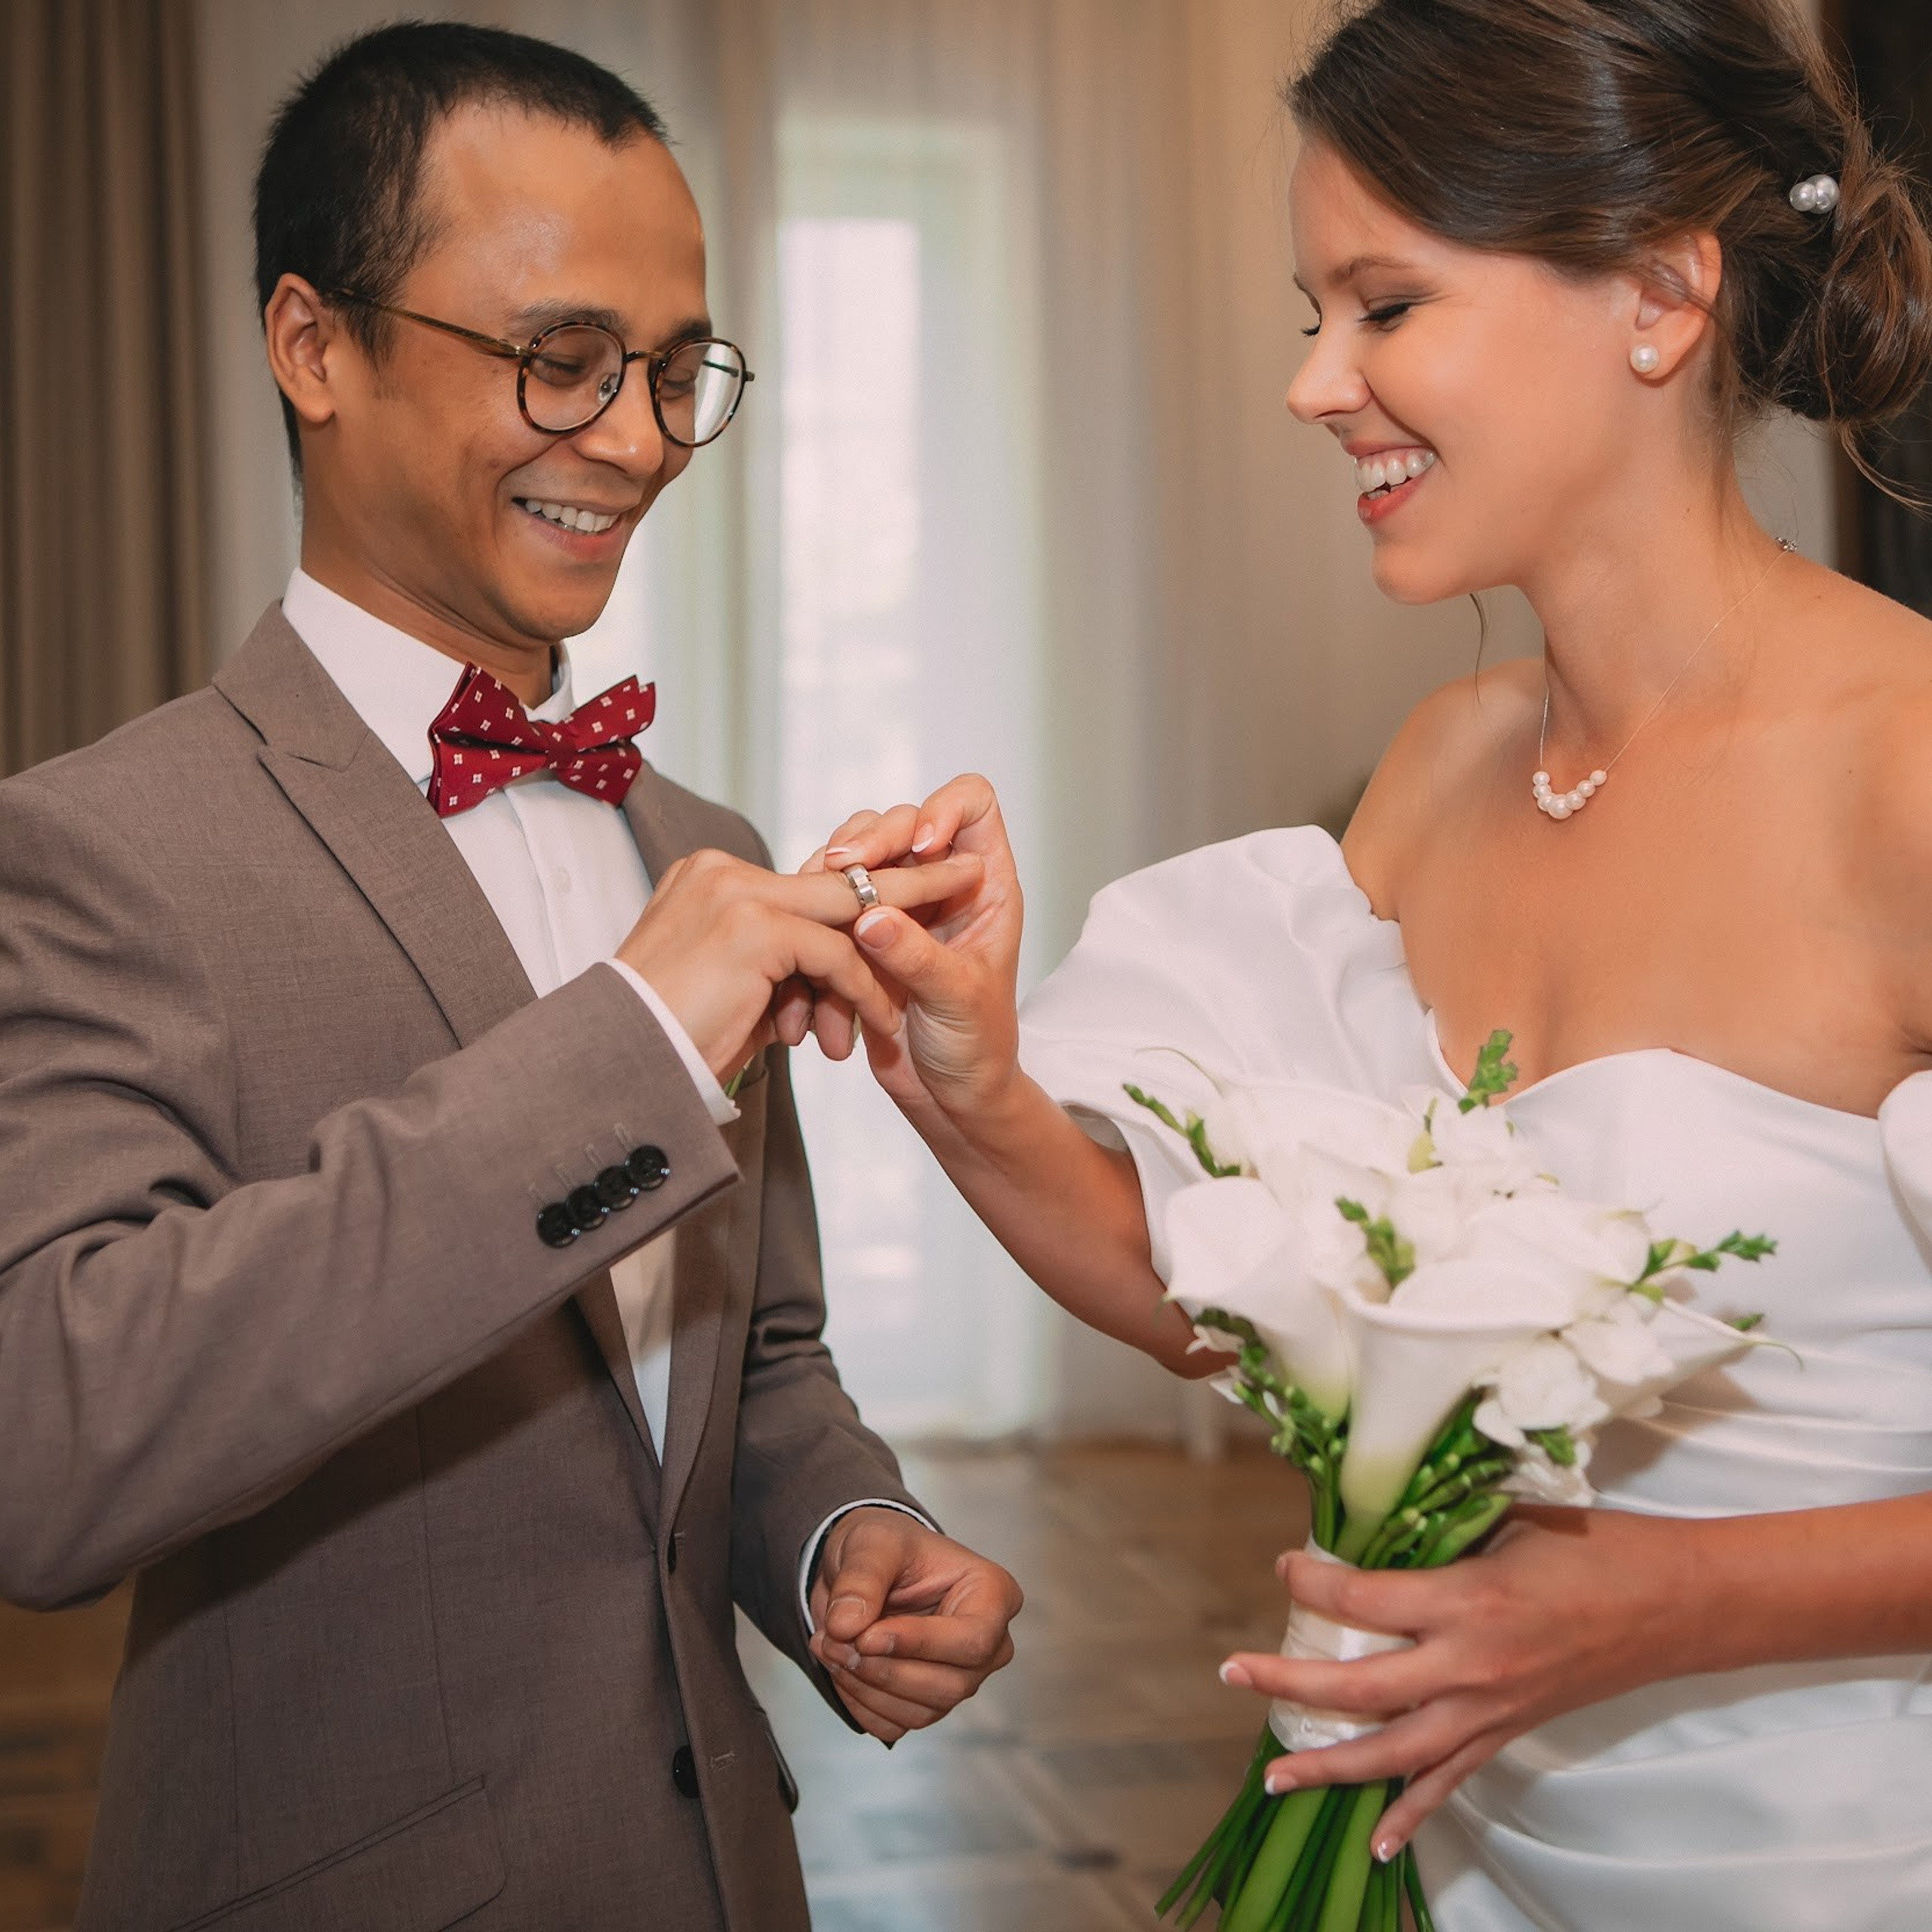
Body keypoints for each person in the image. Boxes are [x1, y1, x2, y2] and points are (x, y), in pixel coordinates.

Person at [801, 0, 1932, 1924]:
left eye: (1383, 306)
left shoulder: (1905, 773)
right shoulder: (1436, 773)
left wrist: (1642, 1605)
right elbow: (1254, 1317)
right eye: (1307, 314)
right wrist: (972, 1078)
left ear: (1657, 295)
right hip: (1476, 1855)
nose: (1316, 382)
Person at [0, 22, 1022, 1931]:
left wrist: (833, 1539)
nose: (634, 440)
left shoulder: (690, 832)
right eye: (559, 359)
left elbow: (748, 1351)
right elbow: (52, 1445)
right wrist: (626, 1044)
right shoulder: (93, 848)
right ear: (315, 345)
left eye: (669, 371)